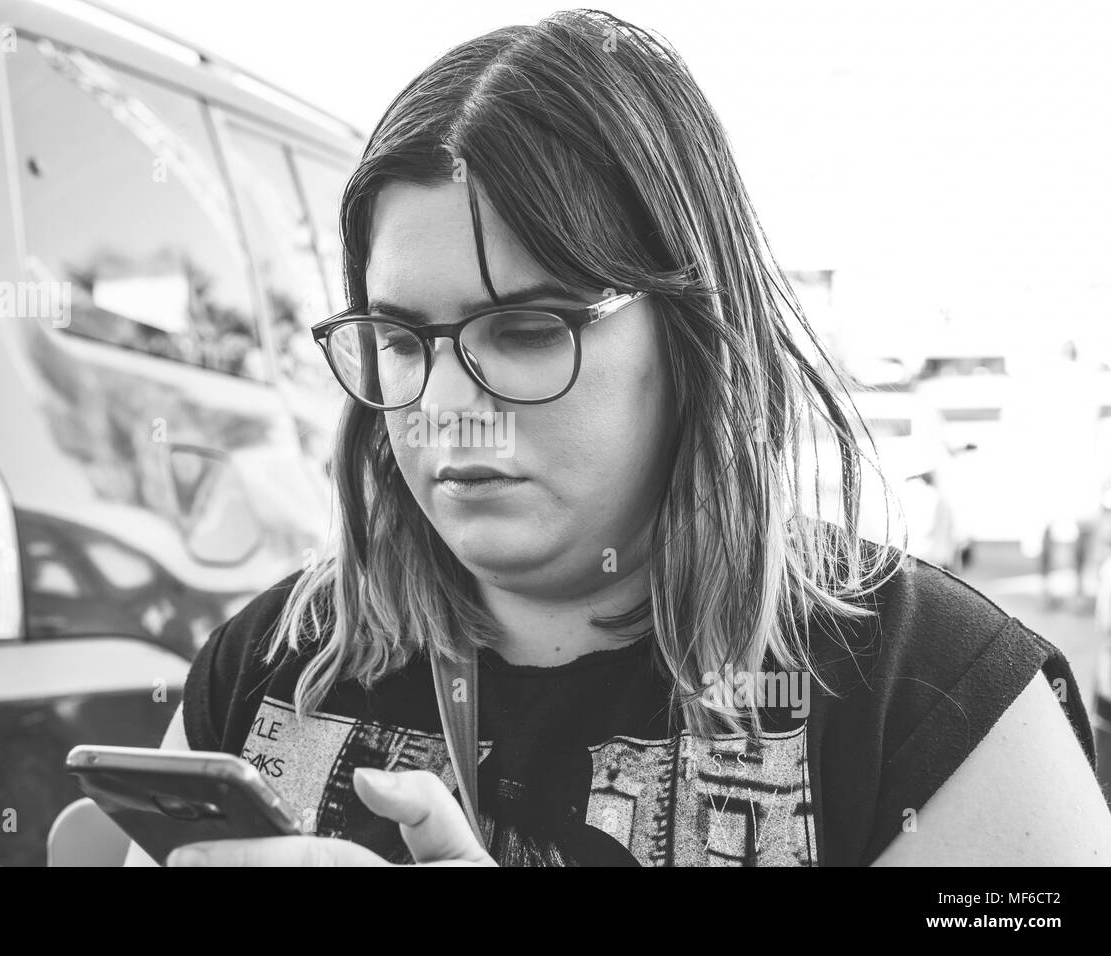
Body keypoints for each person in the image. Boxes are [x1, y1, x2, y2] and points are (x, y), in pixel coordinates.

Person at [129, 9, 1111, 867]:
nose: (446, 402)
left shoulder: (928, 696)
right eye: (398, 338)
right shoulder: (273, 661)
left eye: (524, 330)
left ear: (686, 337)